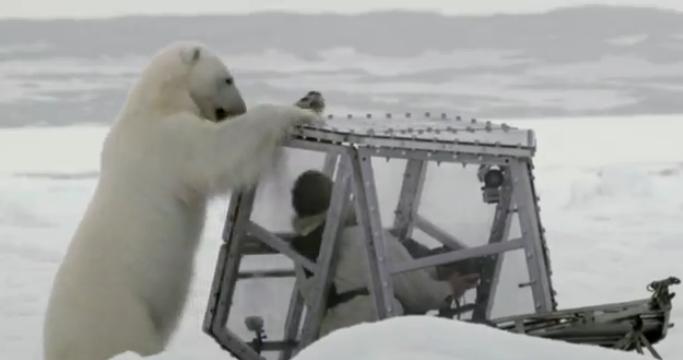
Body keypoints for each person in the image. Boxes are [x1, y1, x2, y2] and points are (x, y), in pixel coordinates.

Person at [289, 170, 479, 337]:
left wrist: (435, 271)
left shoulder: (305, 250)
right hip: (374, 333)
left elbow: (351, 280)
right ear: (336, 198)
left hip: (333, 340)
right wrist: (450, 288)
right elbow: (417, 292)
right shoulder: (363, 238)